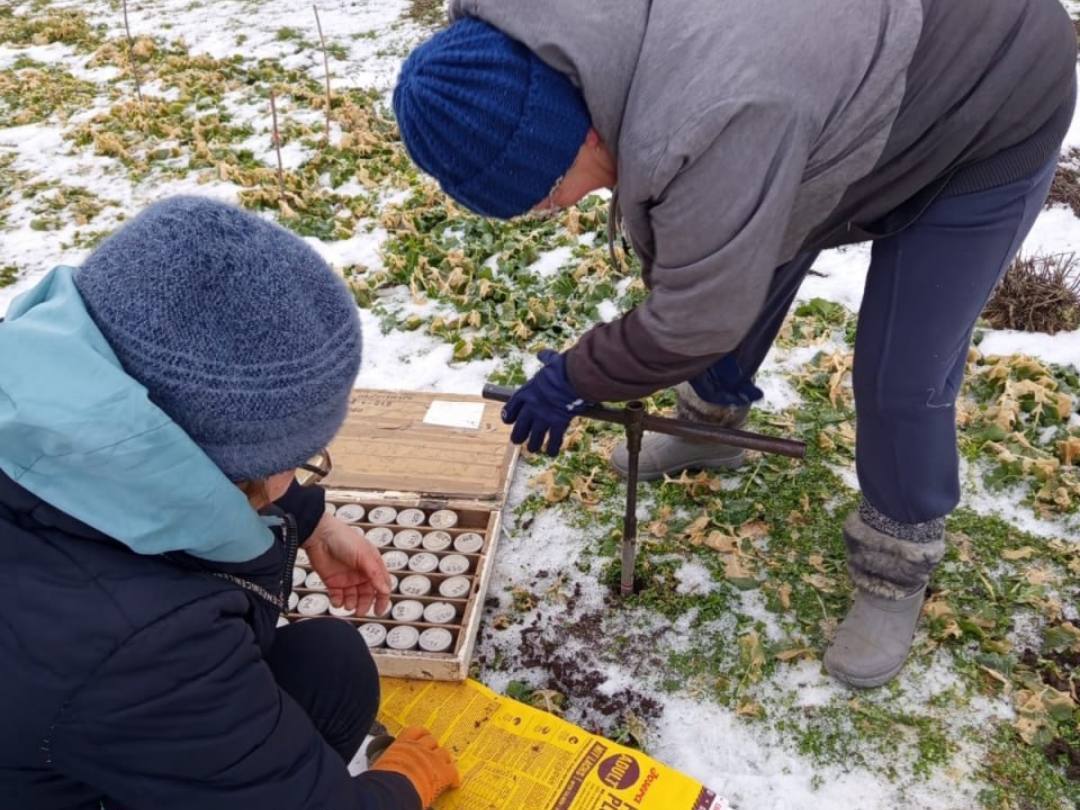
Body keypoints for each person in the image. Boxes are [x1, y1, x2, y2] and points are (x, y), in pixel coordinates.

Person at [392, 0, 1078, 688]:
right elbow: (711, 255)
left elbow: (698, 317)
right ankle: (711, 425)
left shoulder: (709, 113)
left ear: (580, 136)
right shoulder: (576, 40)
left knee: (902, 372)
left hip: (993, 93)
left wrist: (579, 375)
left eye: (547, 195)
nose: (555, 210)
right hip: (841, 82)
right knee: (735, 242)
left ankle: (897, 557)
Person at [0, 197, 459, 809]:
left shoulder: (37, 390)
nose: (294, 474)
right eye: (294, 458)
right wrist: (407, 782)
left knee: (331, 663)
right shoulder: (141, 647)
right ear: (222, 462)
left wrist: (309, 518)